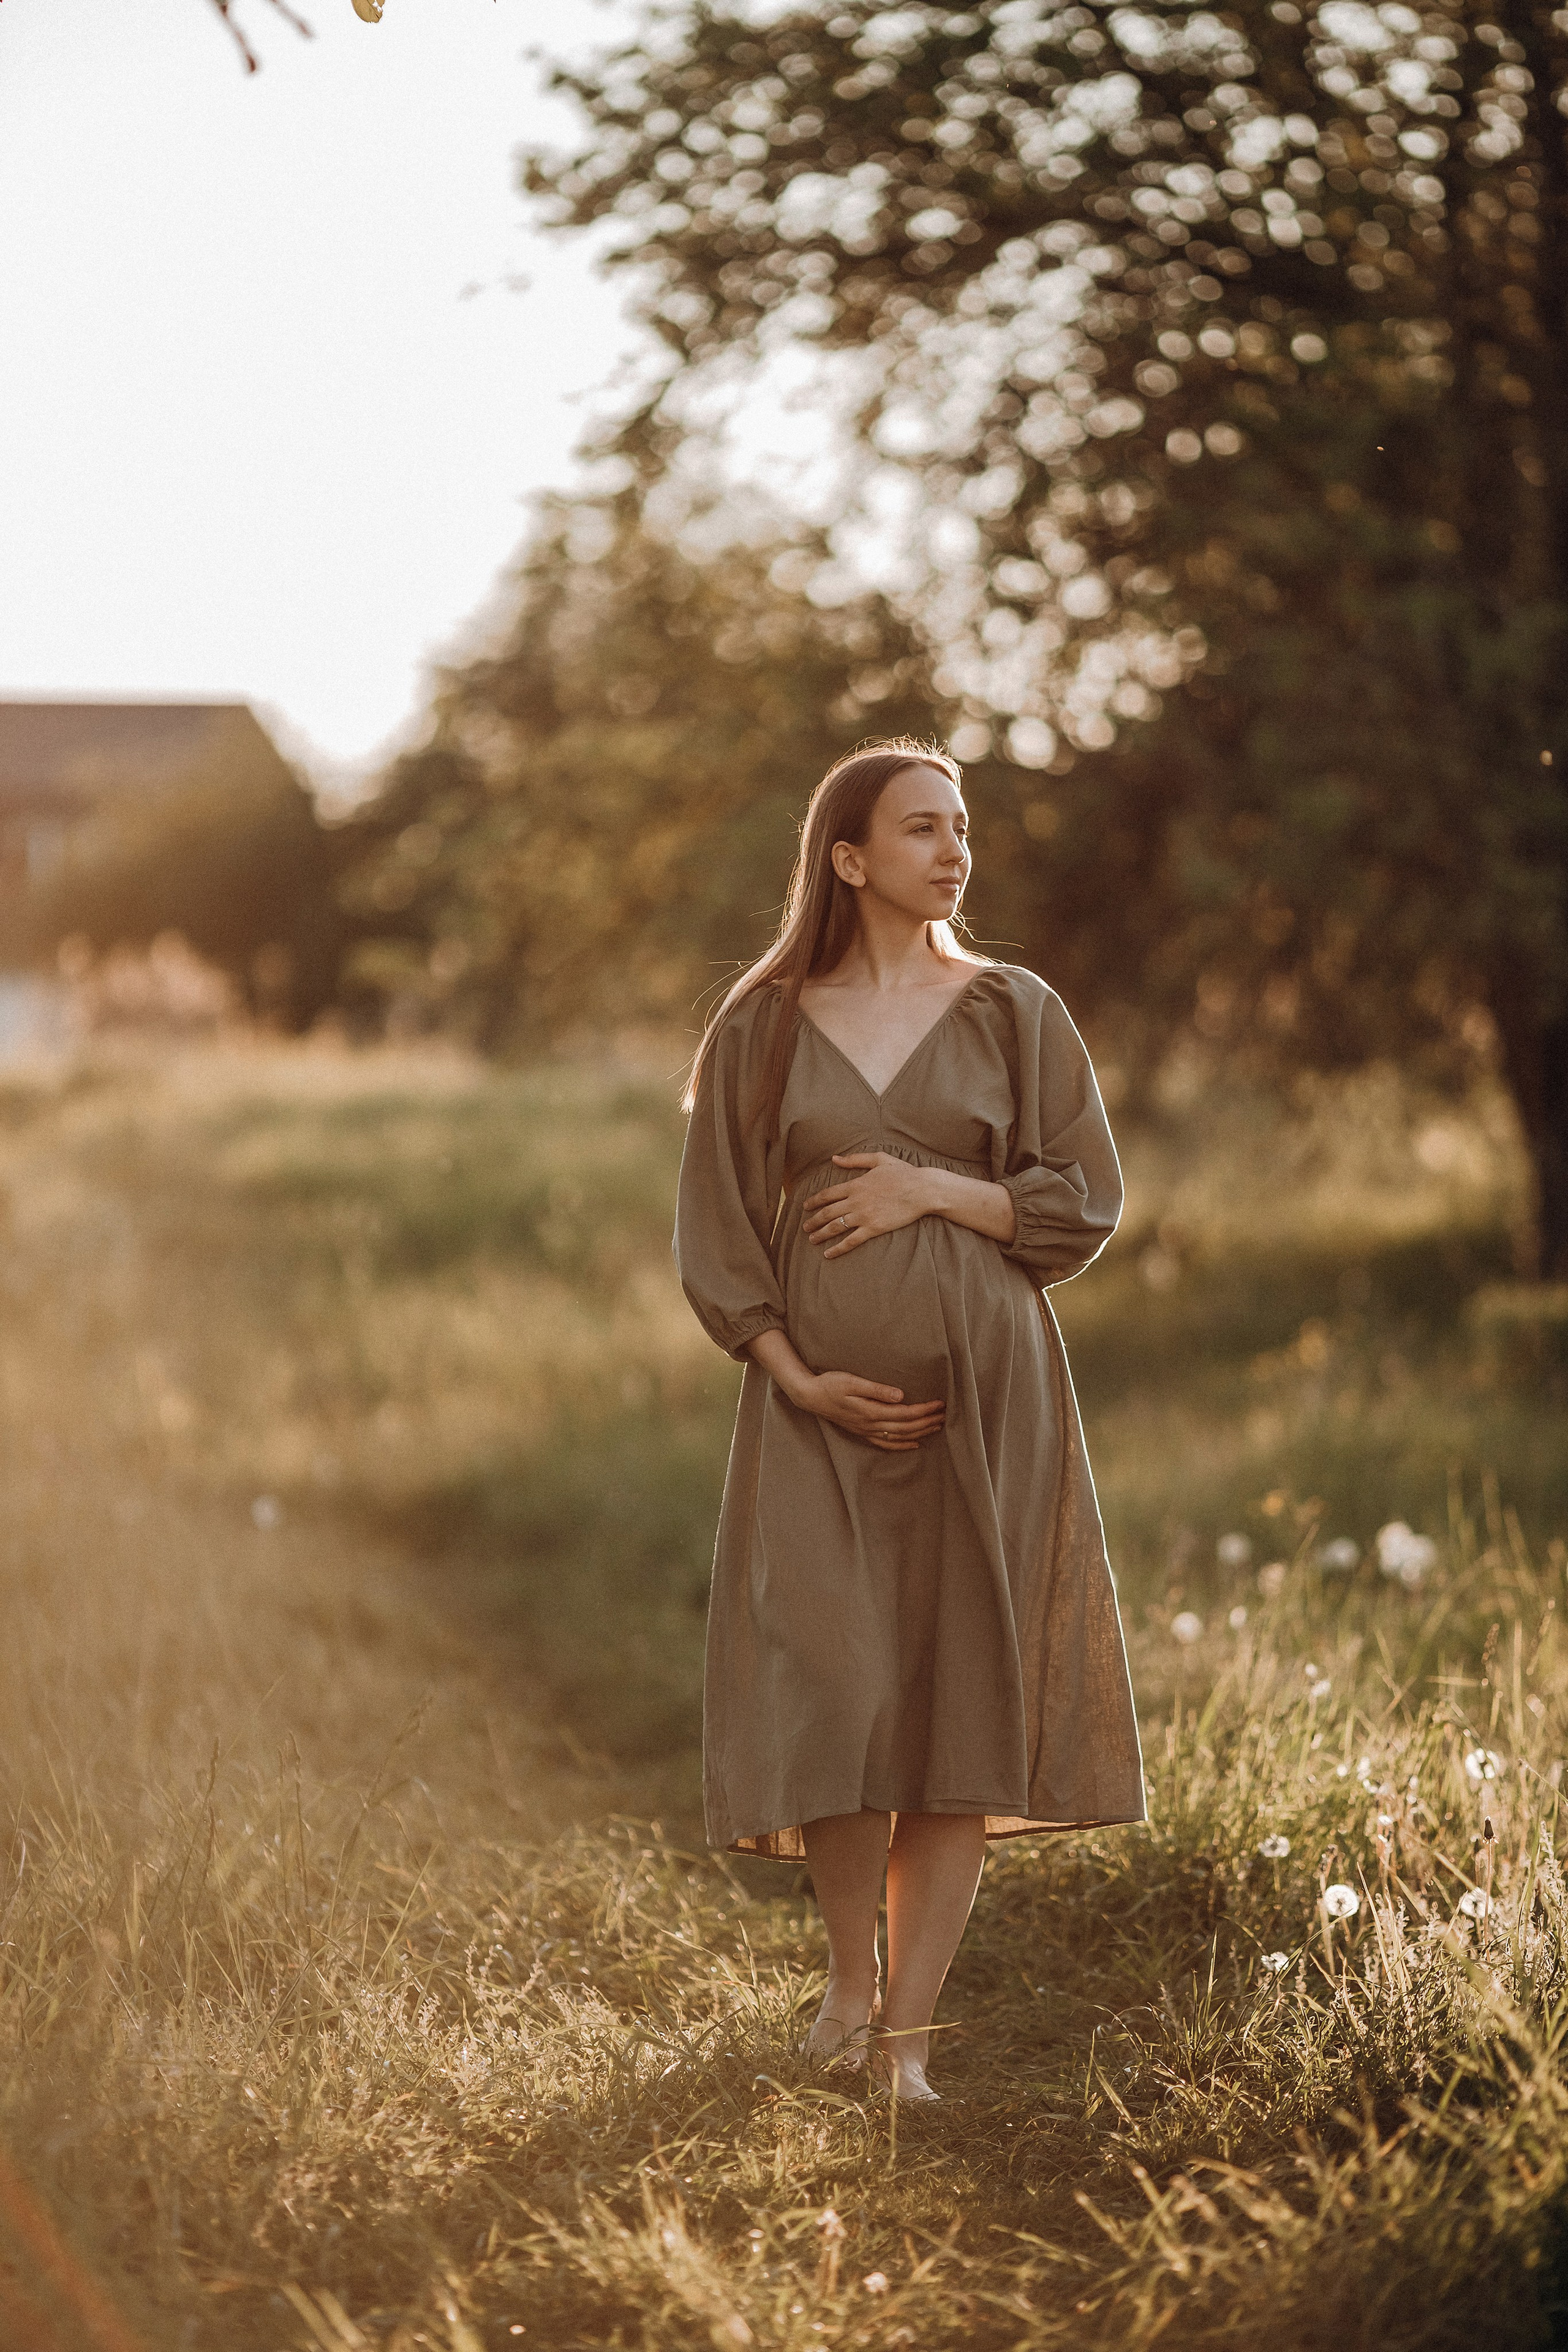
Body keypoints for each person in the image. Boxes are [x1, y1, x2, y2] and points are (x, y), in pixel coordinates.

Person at [673, 739, 1144, 2100]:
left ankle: (907, 2044)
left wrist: (934, 1193)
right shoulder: (761, 1023)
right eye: (922, 828)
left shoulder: (1012, 1010)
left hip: (986, 1405)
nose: (954, 851)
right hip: (815, 1412)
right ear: (848, 857)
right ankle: (844, 1981)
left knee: (952, 1701)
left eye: (959, 828)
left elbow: (1080, 1201)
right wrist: (790, 1370)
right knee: (837, 1685)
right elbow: (713, 1228)